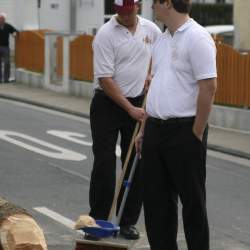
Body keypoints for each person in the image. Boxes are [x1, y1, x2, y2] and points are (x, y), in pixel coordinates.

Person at [135, 0, 217, 249]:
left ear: (167, 3)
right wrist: (144, 130)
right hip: (156, 130)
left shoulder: (197, 37)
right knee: (157, 205)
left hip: (185, 131)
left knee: (192, 204)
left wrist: (197, 131)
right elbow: (156, 86)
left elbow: (209, 87)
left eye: (154, 3)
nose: (151, 8)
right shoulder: (161, 39)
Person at [88, 0, 161, 240]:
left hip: (138, 101)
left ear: (137, 7)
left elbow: (160, 57)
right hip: (107, 104)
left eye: (130, 12)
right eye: (121, 12)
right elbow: (105, 79)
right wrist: (129, 108)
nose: (126, 16)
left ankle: (127, 221)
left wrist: (152, 75)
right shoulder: (105, 35)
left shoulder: (151, 30)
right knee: (104, 163)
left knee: (136, 163)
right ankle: (98, 220)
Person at [0, 13, 18, 83]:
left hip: (5, 47)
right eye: (0, 19)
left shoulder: (7, 26)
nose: (1, 20)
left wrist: (14, 34)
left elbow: (15, 31)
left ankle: (6, 79)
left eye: (3, 19)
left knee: (7, 63)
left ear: (4, 20)